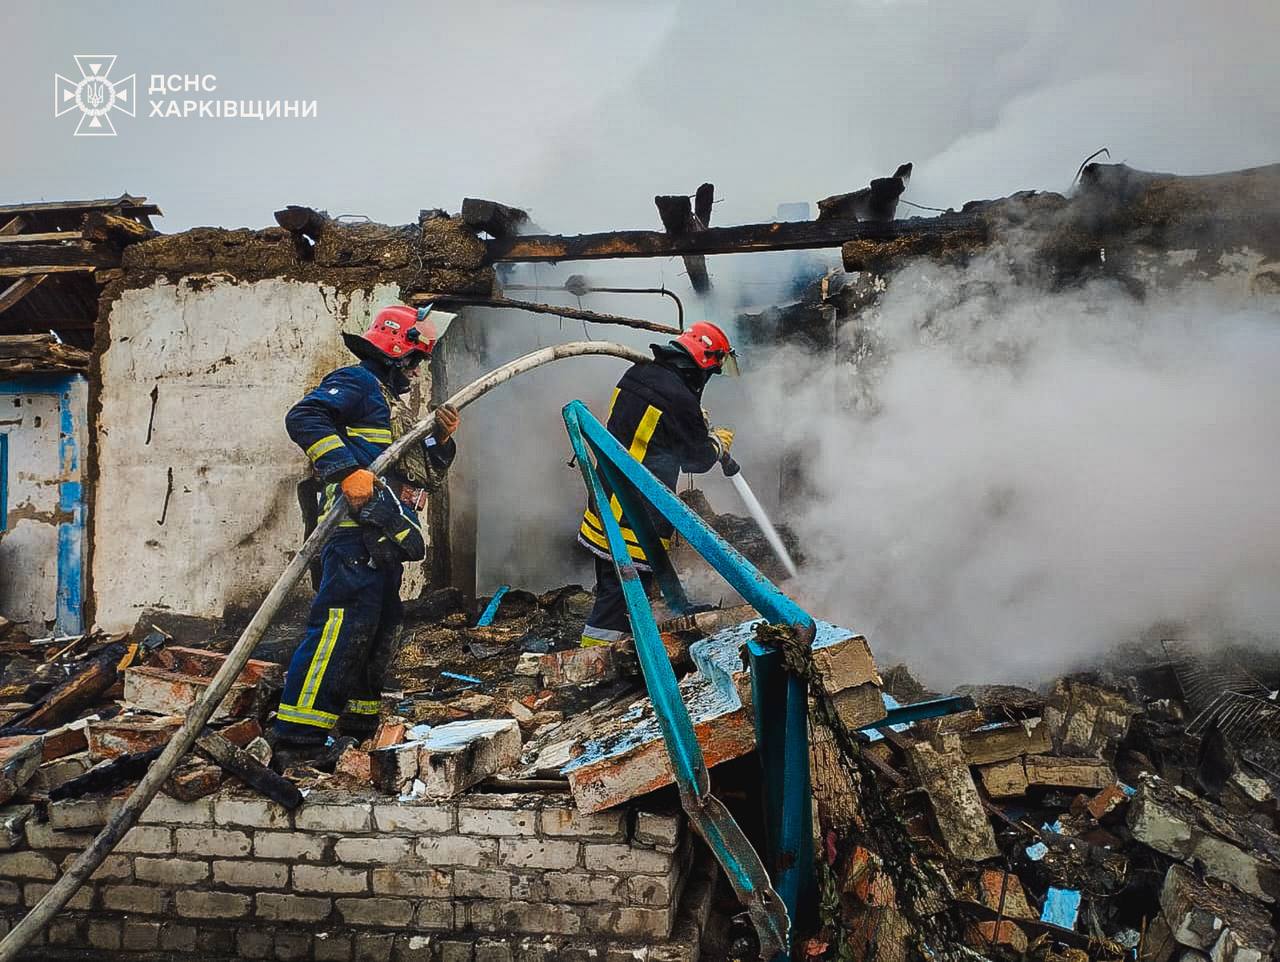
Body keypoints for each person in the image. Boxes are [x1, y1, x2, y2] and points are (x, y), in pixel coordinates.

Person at [270, 304, 460, 770]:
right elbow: (305, 417)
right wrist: (347, 470)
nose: (417, 371)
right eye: (415, 360)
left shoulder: (388, 401)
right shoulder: (355, 382)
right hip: (354, 535)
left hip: (384, 536)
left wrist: (439, 437)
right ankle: (299, 738)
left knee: (376, 631)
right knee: (339, 630)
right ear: (398, 352)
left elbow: (415, 467)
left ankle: (357, 727)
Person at [577, 321, 738, 648]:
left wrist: (690, 423)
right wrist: (717, 443)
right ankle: (589, 667)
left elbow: (649, 428)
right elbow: (697, 460)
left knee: (618, 594)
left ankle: (634, 645)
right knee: (616, 604)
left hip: (606, 505)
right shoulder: (680, 400)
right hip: (634, 520)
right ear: (701, 365)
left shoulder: (638, 375)